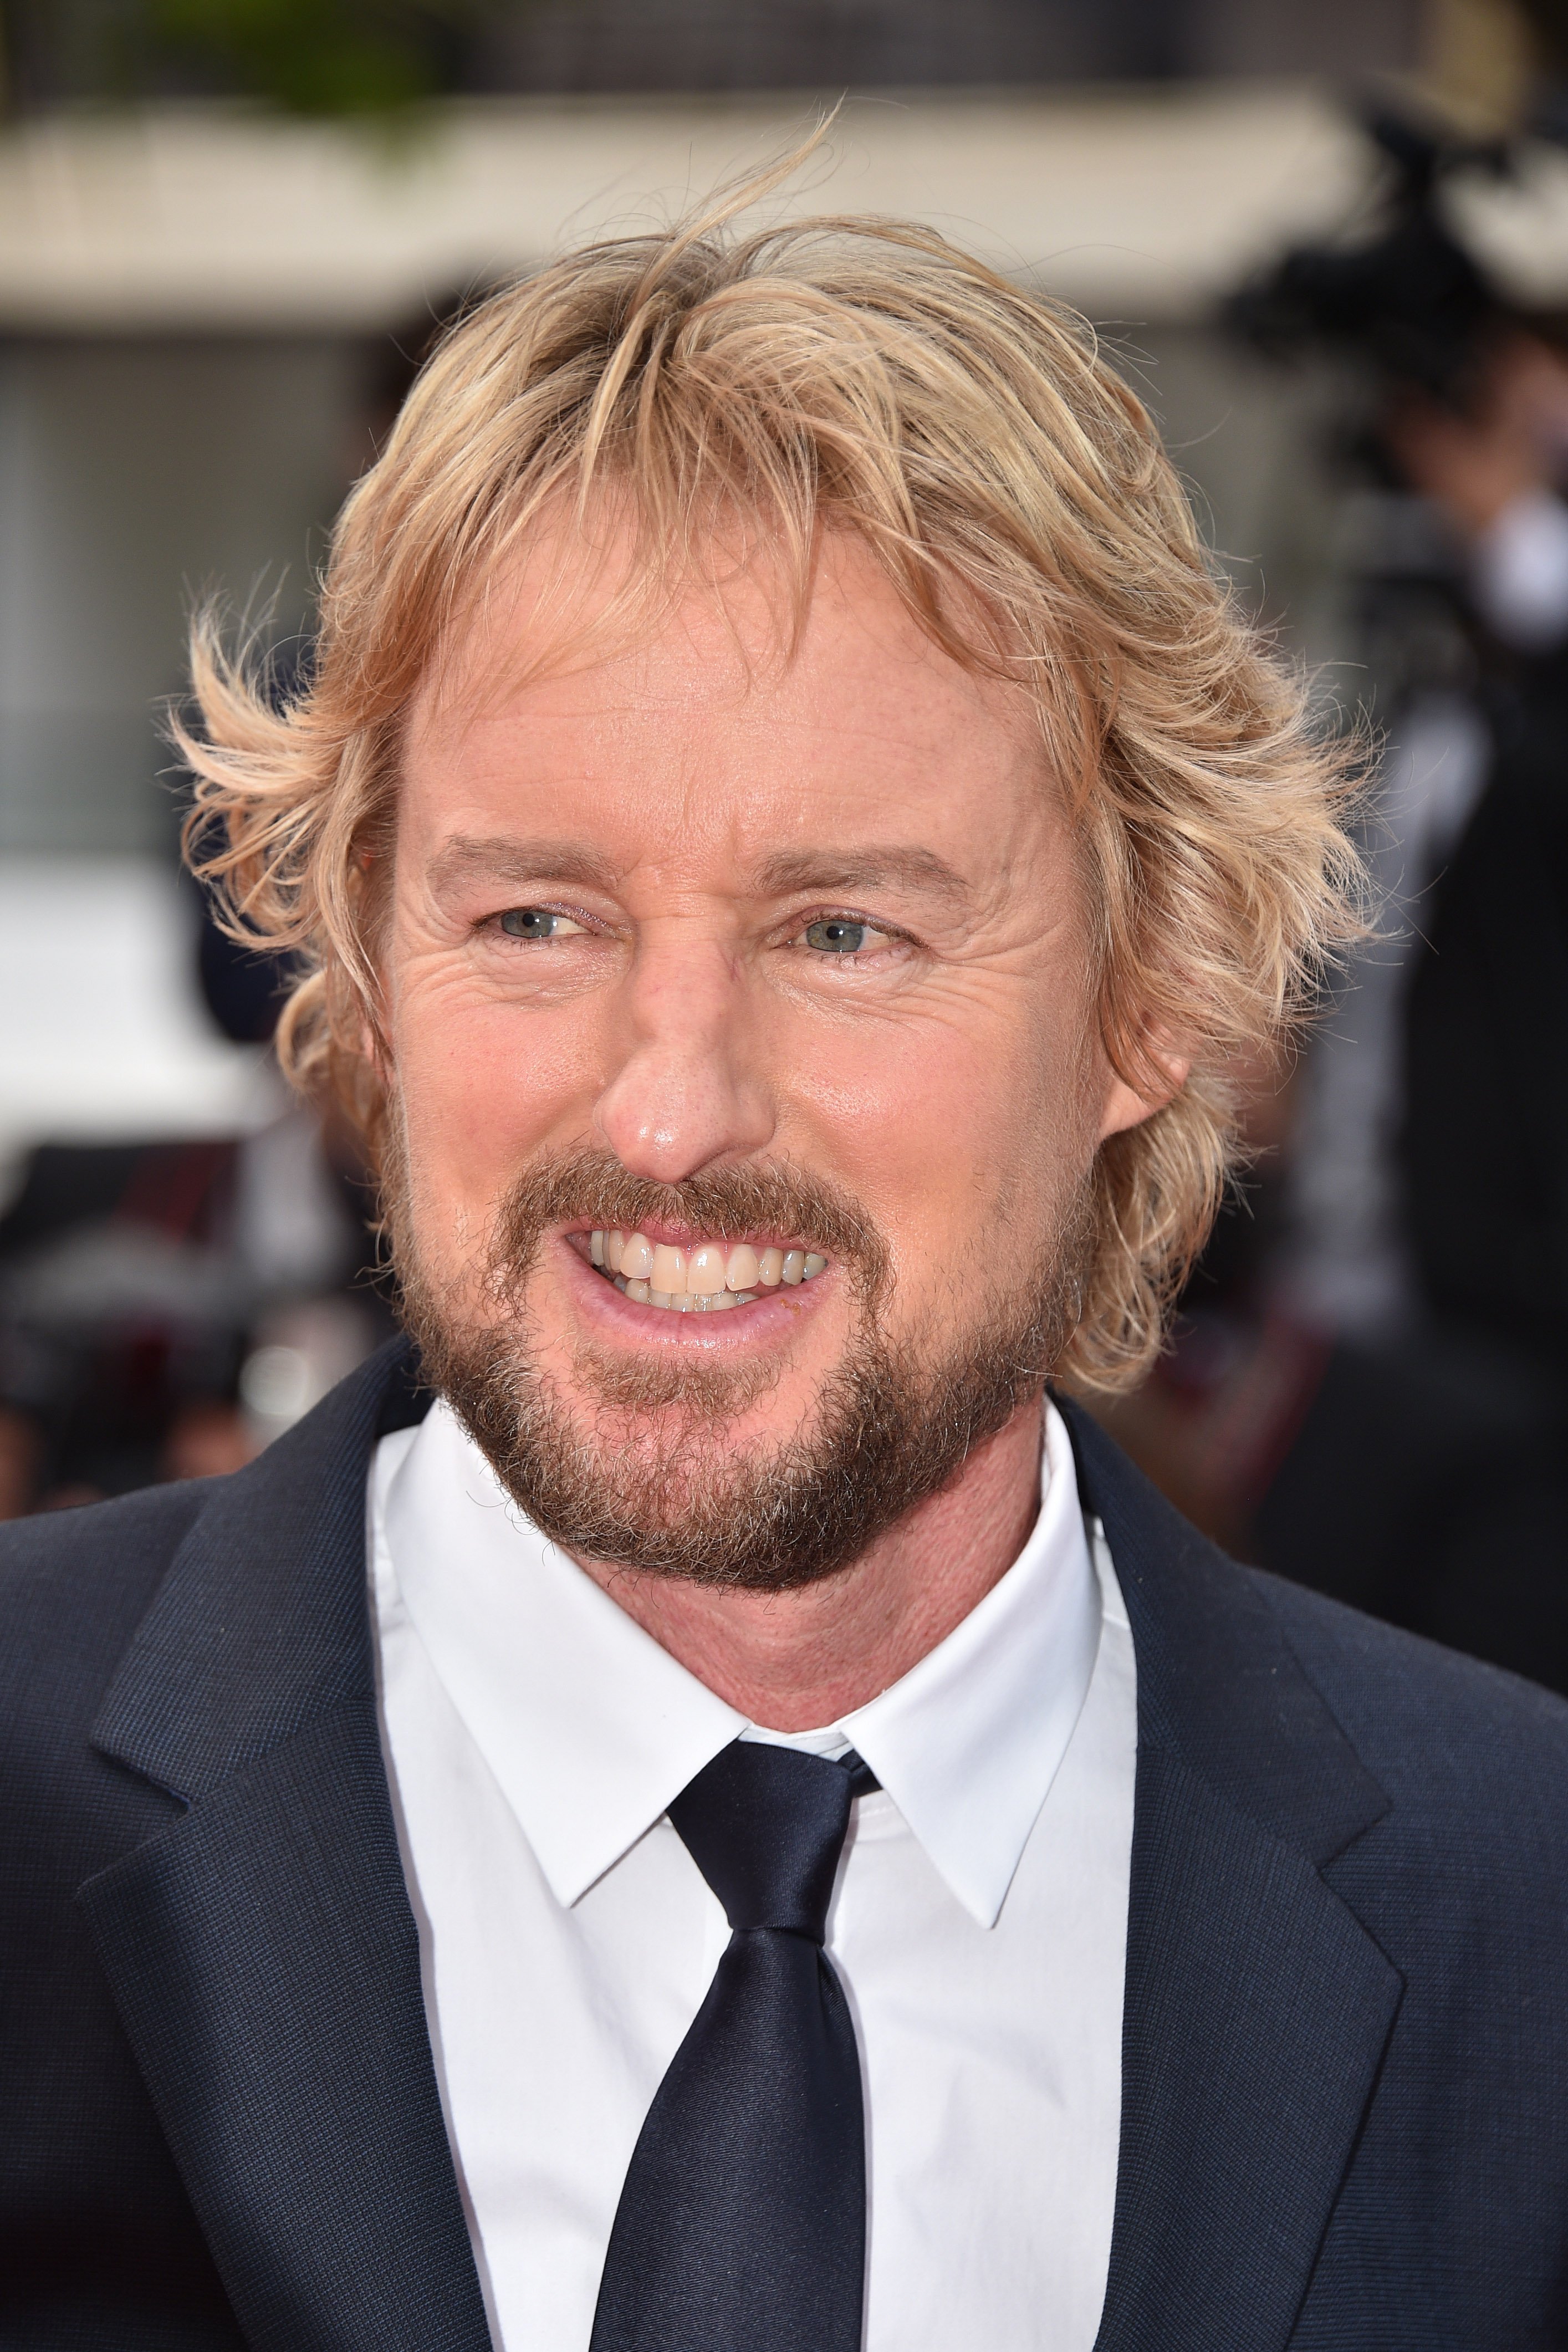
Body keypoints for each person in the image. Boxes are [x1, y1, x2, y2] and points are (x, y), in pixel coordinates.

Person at [4, 162, 1568, 2352]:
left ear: (1156, 993)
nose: (670, 1109)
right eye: (534, 916)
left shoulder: (1532, 1929)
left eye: (848, 931)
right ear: (361, 958)